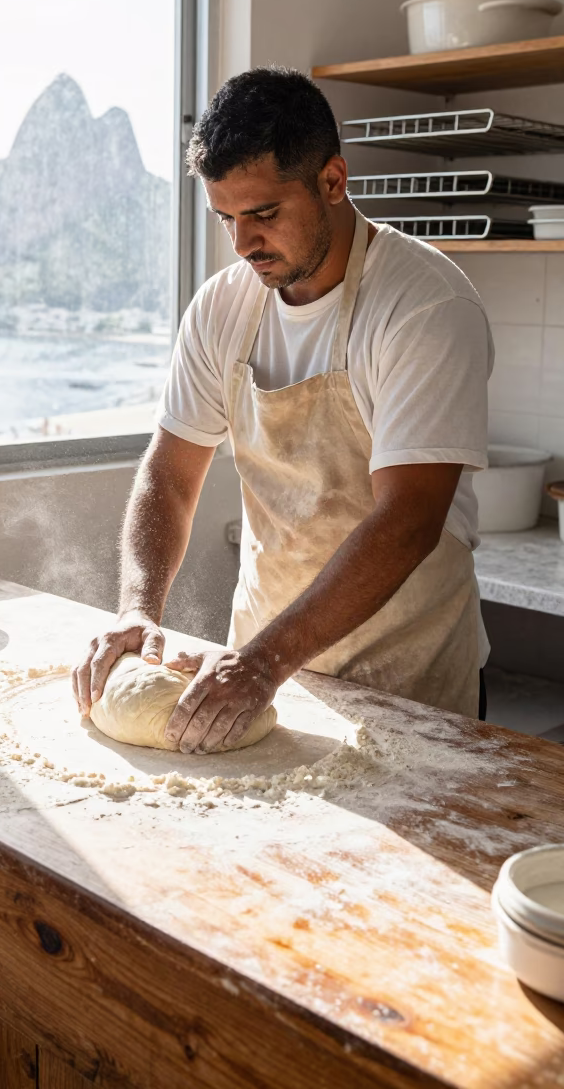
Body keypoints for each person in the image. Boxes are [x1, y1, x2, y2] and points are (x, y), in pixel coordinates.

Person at [72, 67, 494, 752]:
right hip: (267, 673)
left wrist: (265, 661)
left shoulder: (424, 306)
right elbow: (171, 475)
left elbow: (409, 519)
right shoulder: (224, 307)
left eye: (264, 215)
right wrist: (138, 609)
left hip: (408, 679)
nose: (242, 246)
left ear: (333, 181)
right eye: (226, 219)